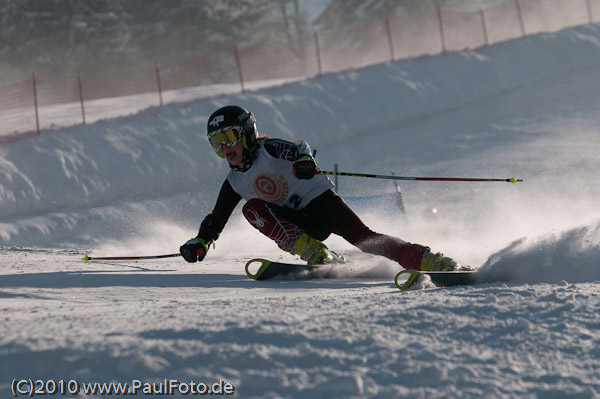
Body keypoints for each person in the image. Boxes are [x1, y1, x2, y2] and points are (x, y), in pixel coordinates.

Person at [180, 105, 466, 271]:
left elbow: (300, 148)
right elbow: (217, 218)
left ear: (247, 134)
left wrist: (305, 161)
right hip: (299, 225)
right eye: (217, 143)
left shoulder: (269, 150)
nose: (225, 147)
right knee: (251, 208)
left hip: (319, 202)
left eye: (229, 137)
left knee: (364, 239)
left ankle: (428, 259)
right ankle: (313, 250)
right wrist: (201, 241)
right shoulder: (234, 181)